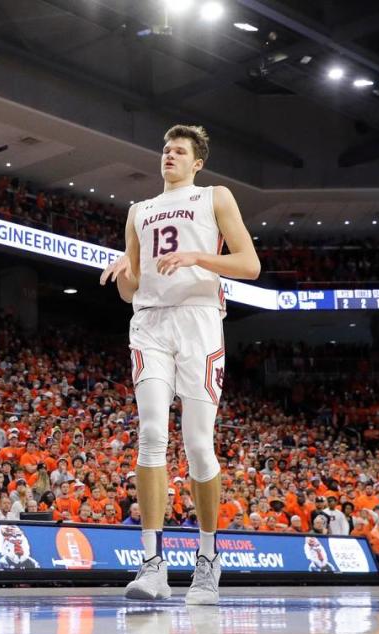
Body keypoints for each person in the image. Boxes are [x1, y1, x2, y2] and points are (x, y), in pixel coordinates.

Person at [100, 125, 260, 605]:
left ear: (196, 163)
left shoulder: (215, 196)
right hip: (149, 322)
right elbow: (132, 286)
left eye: (179, 151)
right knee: (151, 433)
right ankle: (152, 565)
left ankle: (207, 564)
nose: (168, 155)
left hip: (199, 322)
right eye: (165, 149)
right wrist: (125, 274)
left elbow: (249, 264)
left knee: (197, 445)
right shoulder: (138, 211)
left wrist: (199, 256)